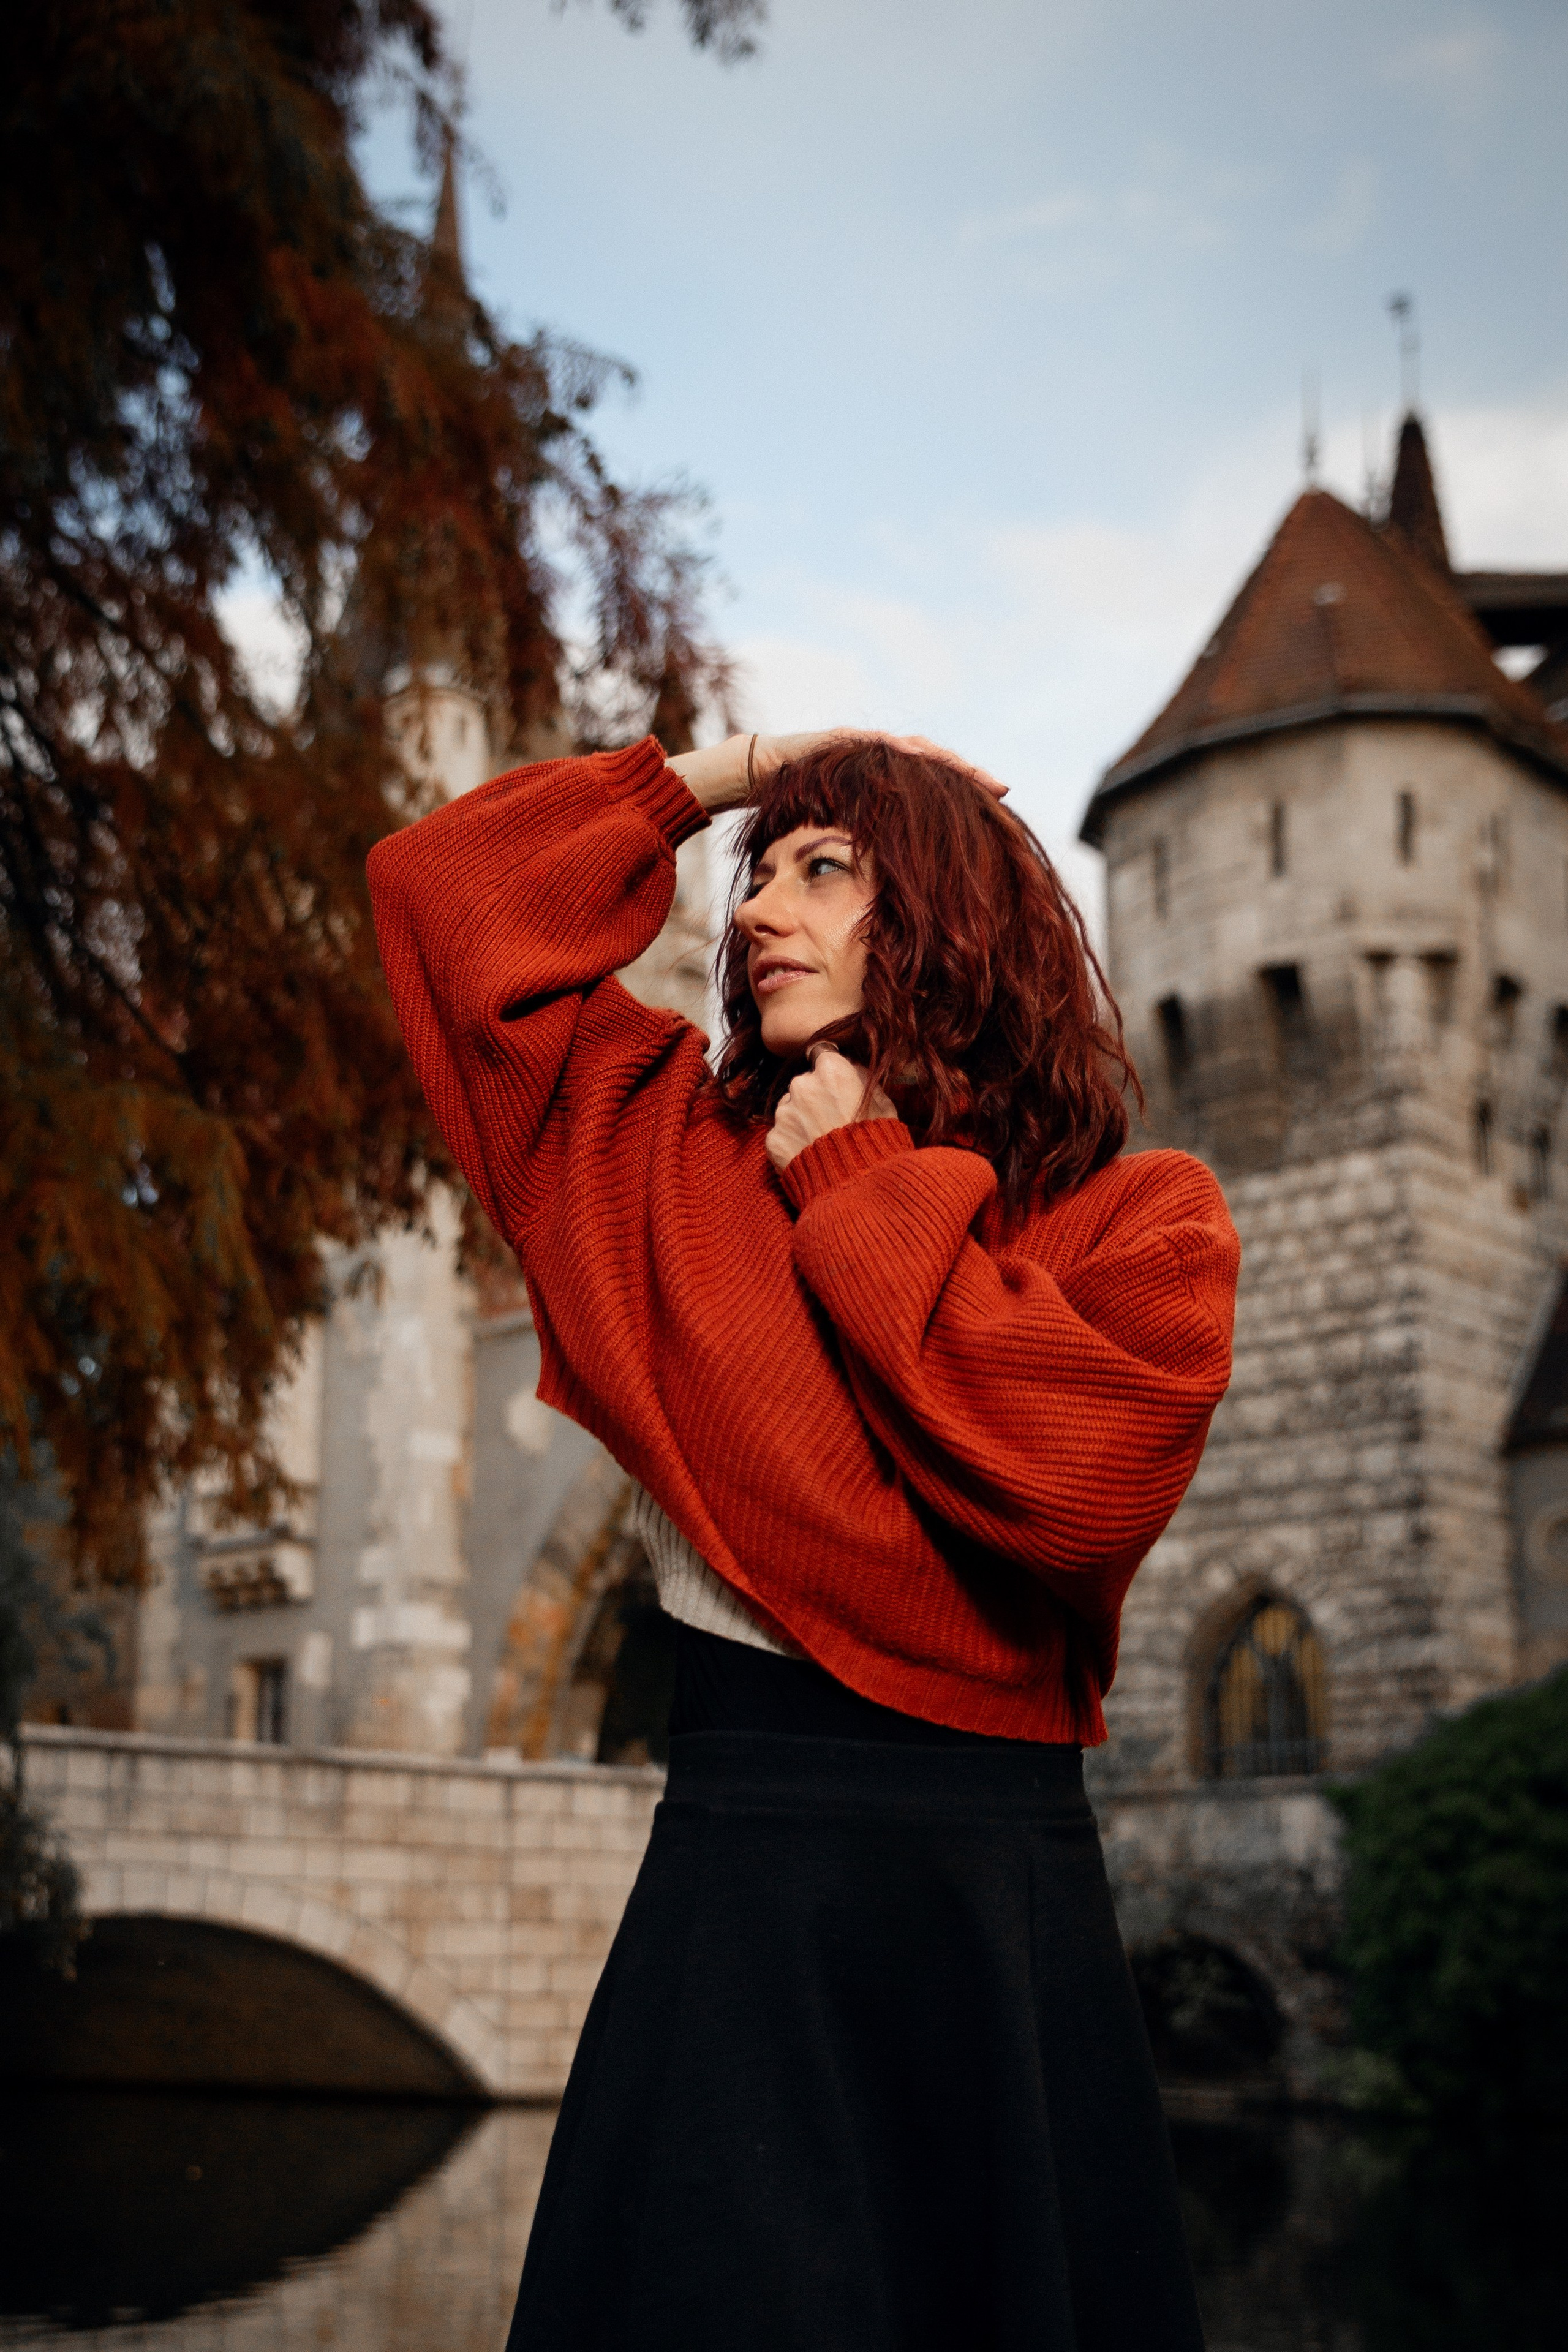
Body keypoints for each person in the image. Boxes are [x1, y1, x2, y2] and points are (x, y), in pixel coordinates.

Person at [368, 726, 1240, 2352]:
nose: (761, 904)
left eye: (823, 867)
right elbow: (439, 893)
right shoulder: (653, 1158)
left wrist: (856, 1182)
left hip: (995, 1919)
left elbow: (1073, 1490)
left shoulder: (1142, 1222)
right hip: (741, 1899)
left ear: (951, 916)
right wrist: (738, 772)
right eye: (754, 875)